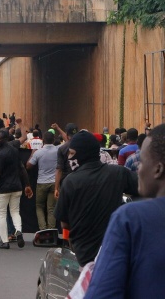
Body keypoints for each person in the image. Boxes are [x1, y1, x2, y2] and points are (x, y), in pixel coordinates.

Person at [84, 123, 165, 298]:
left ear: (158, 169)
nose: (139, 169)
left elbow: (103, 294)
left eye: (142, 162)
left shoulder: (131, 219)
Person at [54, 130, 139, 267]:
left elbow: (64, 223)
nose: (69, 158)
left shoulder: (70, 182)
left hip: (84, 256)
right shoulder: (118, 174)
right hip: (116, 251)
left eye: (72, 153)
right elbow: (146, 188)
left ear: (82, 153)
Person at [0, 130, 33, 249]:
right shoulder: (15, 151)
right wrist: (27, 185)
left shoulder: (0, 154)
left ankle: (5, 241)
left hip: (2, 189)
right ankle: (18, 231)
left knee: (2, 214)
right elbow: (22, 169)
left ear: (4, 139)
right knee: (15, 211)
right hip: (16, 187)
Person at [26, 132, 58, 230]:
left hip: (41, 182)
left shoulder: (38, 152)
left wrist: (32, 154)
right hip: (54, 183)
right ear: (53, 140)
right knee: (51, 208)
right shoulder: (58, 150)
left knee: (39, 206)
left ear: (43, 140)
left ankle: (43, 229)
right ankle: (51, 229)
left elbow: (28, 166)